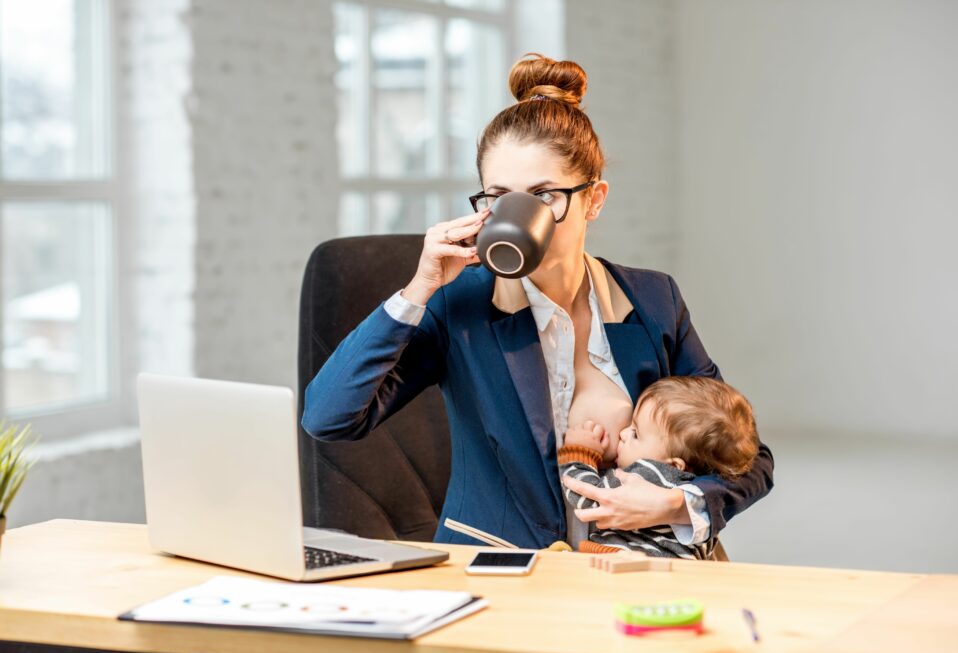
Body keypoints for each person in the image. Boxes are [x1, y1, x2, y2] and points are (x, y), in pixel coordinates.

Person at [302, 53, 774, 550]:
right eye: (500, 196)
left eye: (544, 194)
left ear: (593, 199)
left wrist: (677, 503)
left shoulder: (653, 300)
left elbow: (748, 458)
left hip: (637, 570)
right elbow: (329, 419)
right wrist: (417, 289)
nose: (519, 213)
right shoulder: (458, 307)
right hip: (501, 569)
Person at [559, 376, 759, 559]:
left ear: (672, 464)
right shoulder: (689, 482)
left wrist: (581, 453)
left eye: (636, 433)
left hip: (630, 566)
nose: (623, 434)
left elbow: (588, 498)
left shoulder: (649, 474)